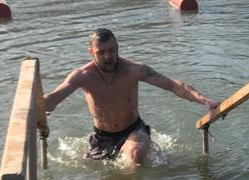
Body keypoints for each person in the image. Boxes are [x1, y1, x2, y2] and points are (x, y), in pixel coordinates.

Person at [43, 28, 220, 165]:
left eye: (111, 50)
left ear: (117, 48)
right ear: (91, 52)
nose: (108, 56)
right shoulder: (82, 76)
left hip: (133, 130)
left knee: (134, 157)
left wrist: (203, 100)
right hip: (101, 136)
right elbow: (54, 98)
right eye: (101, 52)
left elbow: (173, 85)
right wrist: (39, 107)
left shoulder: (133, 70)